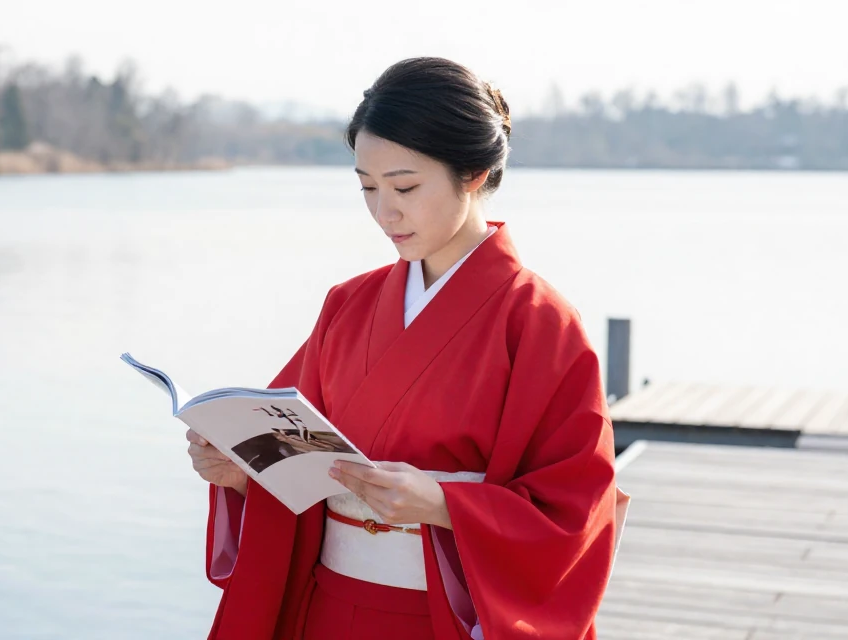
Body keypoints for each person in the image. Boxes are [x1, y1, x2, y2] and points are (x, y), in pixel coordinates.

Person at [185, 57, 624, 640]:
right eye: (368, 188)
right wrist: (241, 472)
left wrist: (442, 504)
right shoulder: (348, 304)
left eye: (405, 187)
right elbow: (295, 454)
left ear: (473, 172)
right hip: (328, 607)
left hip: (445, 617)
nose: (384, 212)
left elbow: (575, 509)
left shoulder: (540, 322)